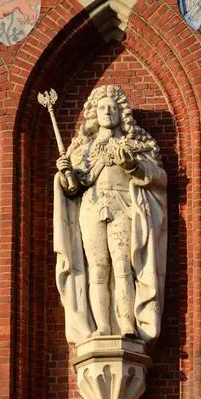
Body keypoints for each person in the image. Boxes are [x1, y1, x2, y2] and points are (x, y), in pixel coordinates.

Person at [54, 85, 167, 345]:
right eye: (102, 107)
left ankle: (126, 322)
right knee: (98, 269)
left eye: (112, 107)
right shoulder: (82, 150)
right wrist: (65, 173)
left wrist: (133, 165)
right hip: (91, 209)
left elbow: (159, 177)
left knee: (123, 266)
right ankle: (103, 326)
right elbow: (73, 188)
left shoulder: (133, 145)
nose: (107, 111)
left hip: (122, 205)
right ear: (94, 112)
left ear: (121, 113)